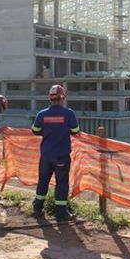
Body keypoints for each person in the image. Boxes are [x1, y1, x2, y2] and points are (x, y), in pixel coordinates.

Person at [31, 85, 80, 221]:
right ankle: (60, 212)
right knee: (62, 183)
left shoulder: (42, 114)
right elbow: (76, 130)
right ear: (62, 98)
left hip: (46, 155)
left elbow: (35, 130)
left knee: (43, 181)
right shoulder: (68, 113)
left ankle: (37, 207)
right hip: (61, 155)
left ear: (50, 98)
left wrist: (46, 131)